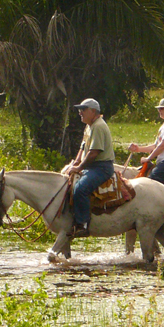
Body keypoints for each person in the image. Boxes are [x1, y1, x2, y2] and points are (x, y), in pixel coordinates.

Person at [62, 98, 115, 238]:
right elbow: (83, 148)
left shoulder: (98, 126)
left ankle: (83, 224)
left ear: (93, 111)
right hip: (92, 166)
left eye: (83, 109)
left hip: (101, 167)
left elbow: (94, 153)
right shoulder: (89, 126)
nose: (80, 112)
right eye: (80, 109)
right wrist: (74, 164)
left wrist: (79, 167)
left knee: (80, 189)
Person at [128, 97, 164, 184]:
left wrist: (148, 158)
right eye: (159, 108)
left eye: (161, 108)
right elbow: (155, 146)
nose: (159, 110)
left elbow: (162, 146)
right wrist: (138, 149)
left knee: (152, 180)